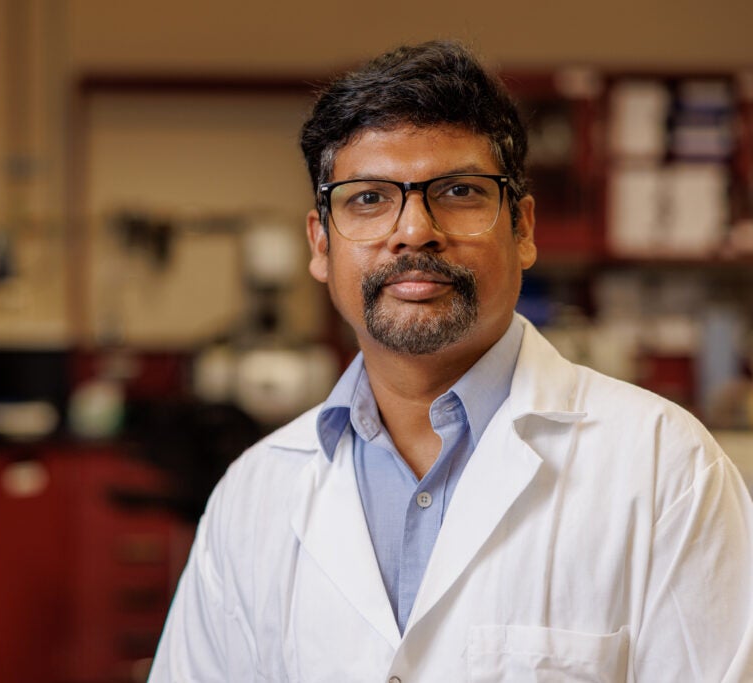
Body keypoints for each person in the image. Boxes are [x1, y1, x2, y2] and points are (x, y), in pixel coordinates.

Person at [149, 40, 753, 682]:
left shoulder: (666, 469)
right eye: (369, 198)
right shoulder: (254, 495)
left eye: (459, 191)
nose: (413, 230)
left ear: (522, 229)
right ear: (321, 243)